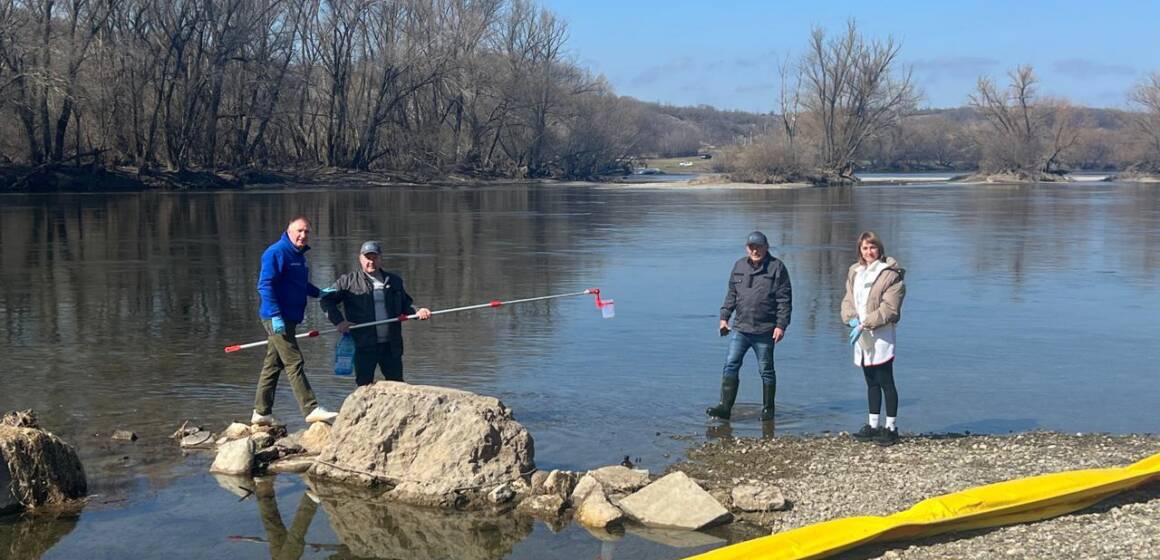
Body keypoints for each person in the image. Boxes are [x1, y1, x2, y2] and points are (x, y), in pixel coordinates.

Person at [252, 216, 338, 426]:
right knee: (294, 361)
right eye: (299, 231)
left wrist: (319, 293)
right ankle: (311, 408)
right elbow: (264, 285)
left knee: (272, 364)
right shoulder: (276, 252)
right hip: (276, 317)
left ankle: (261, 412)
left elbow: (298, 283)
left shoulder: (298, 256)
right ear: (288, 231)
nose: (303, 235)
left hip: (290, 317)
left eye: (307, 232)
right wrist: (275, 315)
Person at [320, 241, 431, 387]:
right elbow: (326, 300)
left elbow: (405, 305)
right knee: (364, 387)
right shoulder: (348, 281)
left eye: (374, 257)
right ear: (360, 258)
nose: (371, 262)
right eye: (367, 257)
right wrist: (339, 322)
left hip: (391, 346)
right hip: (364, 345)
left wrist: (418, 311)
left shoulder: (394, 281)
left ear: (380, 259)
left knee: (398, 386)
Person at [708, 231, 792, 422]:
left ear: (766, 247)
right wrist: (724, 318)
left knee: (766, 370)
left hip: (765, 330)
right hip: (740, 328)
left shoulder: (777, 268)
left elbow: (784, 300)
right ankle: (724, 407)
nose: (755, 250)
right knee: (730, 364)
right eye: (752, 247)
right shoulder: (739, 266)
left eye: (759, 246)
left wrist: (781, 326)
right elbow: (731, 295)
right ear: (747, 248)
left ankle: (768, 410)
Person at [841, 231, 906, 446]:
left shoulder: (891, 274)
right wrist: (850, 319)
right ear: (860, 250)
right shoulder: (855, 271)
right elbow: (848, 299)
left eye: (873, 247)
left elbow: (890, 309)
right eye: (865, 248)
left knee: (885, 379)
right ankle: (873, 425)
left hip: (880, 333)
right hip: (860, 333)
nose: (869, 252)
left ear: (879, 248)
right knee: (870, 381)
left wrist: (865, 323)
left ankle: (891, 428)